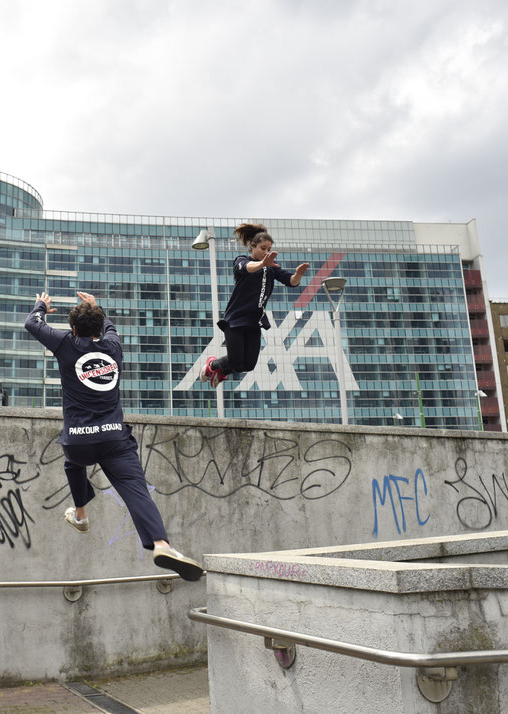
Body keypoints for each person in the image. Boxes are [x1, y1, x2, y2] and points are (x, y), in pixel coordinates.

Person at [25, 291, 203, 581]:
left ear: (73, 330)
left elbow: (32, 324)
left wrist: (41, 306)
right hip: (114, 439)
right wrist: (97, 308)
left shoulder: (64, 343)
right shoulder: (113, 346)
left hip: (78, 440)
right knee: (136, 490)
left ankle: (81, 514)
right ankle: (161, 544)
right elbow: (108, 325)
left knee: (73, 462)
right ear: (99, 328)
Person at [201, 223, 310, 387]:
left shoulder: (272, 269)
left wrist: (298, 275)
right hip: (236, 321)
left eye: (269, 249)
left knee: (248, 365)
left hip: (254, 322)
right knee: (235, 360)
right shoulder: (242, 260)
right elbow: (246, 268)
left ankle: (222, 371)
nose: (266, 253)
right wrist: (261, 264)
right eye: (263, 248)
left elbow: (291, 282)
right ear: (253, 246)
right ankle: (212, 366)